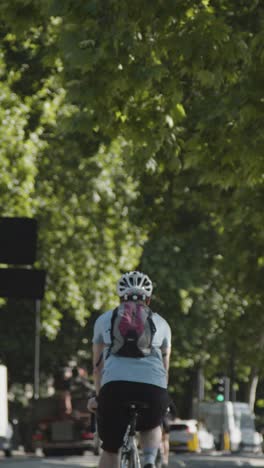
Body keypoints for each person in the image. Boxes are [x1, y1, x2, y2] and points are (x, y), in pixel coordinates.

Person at [88, 270, 171, 468]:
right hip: (153, 388)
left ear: (120, 297)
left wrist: (99, 398)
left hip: (114, 388)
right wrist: (162, 396)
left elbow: (97, 368)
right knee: (152, 424)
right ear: (148, 300)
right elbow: (165, 369)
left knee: (110, 448)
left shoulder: (103, 320)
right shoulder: (162, 324)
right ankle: (150, 460)